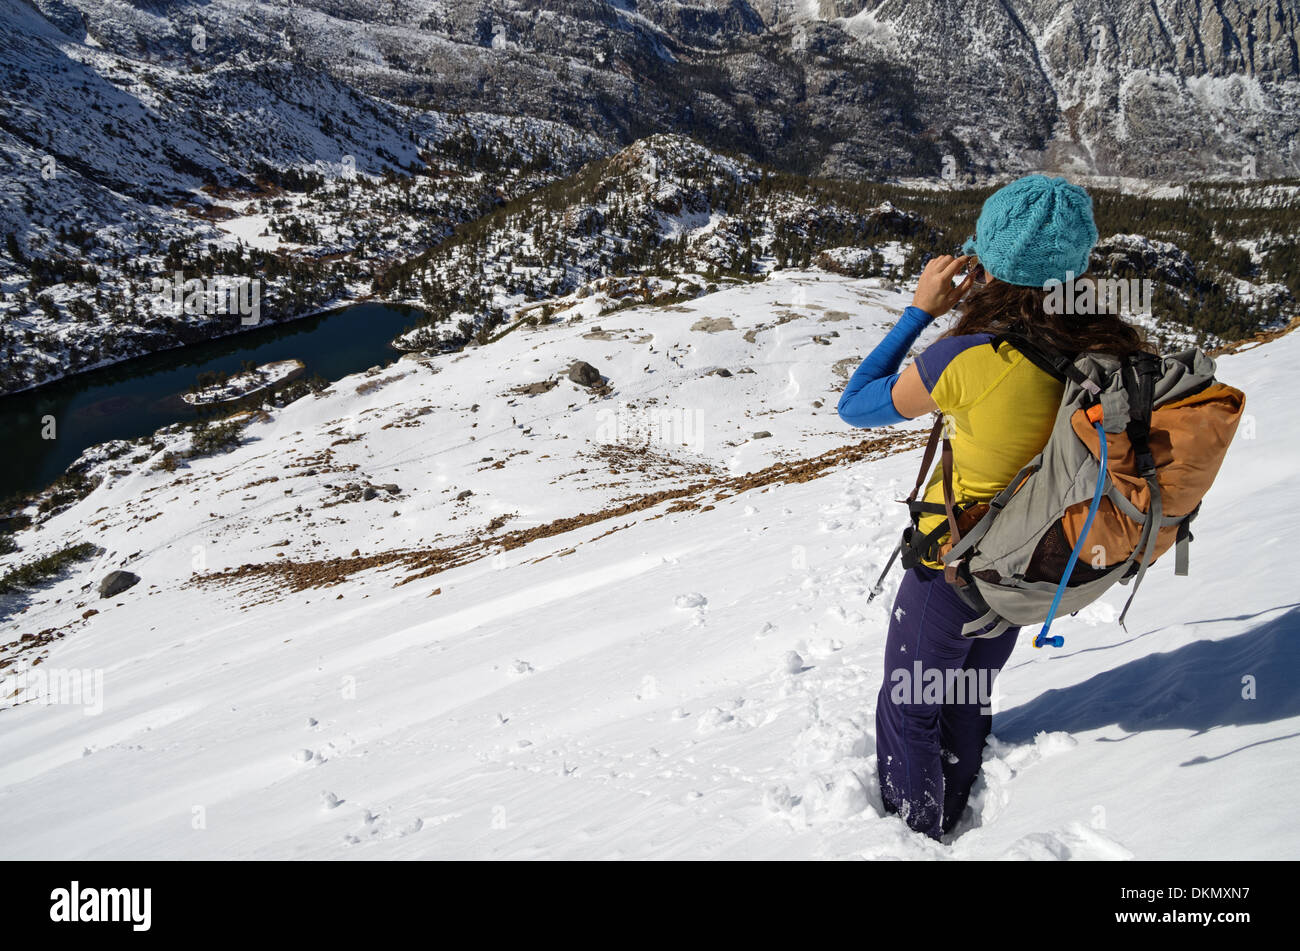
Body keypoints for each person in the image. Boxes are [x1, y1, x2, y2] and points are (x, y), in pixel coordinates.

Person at [836, 174, 1149, 840]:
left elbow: (857, 402)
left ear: (991, 266)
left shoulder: (971, 359)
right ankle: (957, 811)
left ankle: (913, 838)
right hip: (1025, 566)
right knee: (965, 697)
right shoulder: (1102, 351)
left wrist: (920, 310)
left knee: (910, 704)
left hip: (951, 568)